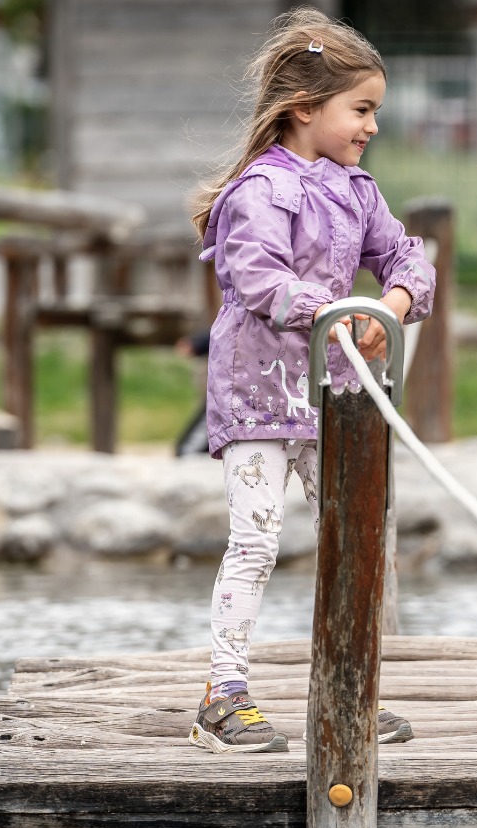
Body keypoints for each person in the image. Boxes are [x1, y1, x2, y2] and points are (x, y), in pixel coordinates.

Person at [186, 7, 436, 753]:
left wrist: (389, 304)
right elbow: (257, 277)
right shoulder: (258, 194)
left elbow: (409, 260)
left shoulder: (359, 192)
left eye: (375, 112)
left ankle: (345, 686)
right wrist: (333, 310)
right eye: (361, 110)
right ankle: (222, 695)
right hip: (261, 398)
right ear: (304, 110)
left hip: (335, 397)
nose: (372, 127)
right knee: (256, 541)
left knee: (348, 535)